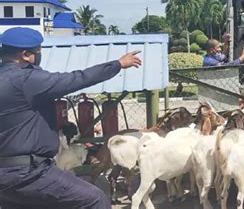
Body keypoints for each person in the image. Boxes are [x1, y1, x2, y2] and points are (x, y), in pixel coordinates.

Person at [0, 27, 142, 209]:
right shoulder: (26, 79)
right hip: (29, 174)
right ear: (26, 55)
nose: (39, 56)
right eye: (38, 52)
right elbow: (76, 79)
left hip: (7, 176)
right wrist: (117, 64)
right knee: (95, 199)